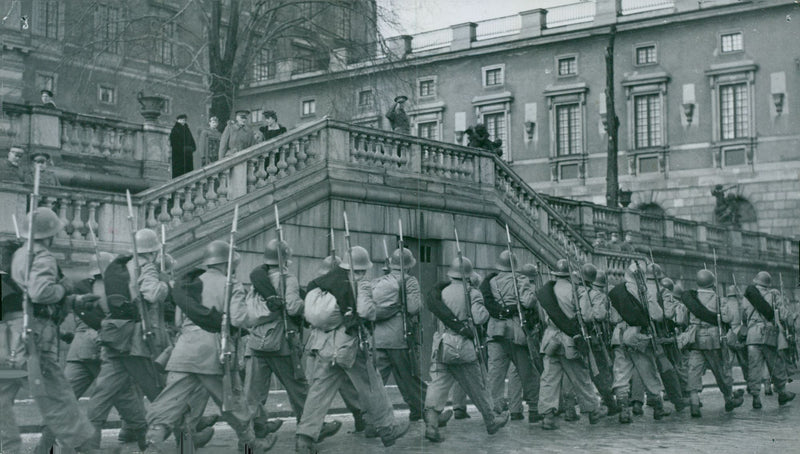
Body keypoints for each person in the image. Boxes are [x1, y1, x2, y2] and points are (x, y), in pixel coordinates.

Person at [145, 240, 277, 453]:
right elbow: (238, 319)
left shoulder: (189, 283)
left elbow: (179, 322)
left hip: (184, 350)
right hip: (214, 351)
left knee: (170, 402)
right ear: (229, 262)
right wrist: (262, 315)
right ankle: (250, 444)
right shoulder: (230, 285)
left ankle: (153, 445)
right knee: (232, 402)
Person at [296, 245, 408, 453]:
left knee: (319, 391)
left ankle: (304, 438)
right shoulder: (360, 284)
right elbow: (366, 311)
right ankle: (387, 428)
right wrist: (373, 311)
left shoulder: (324, 282)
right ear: (362, 267)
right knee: (372, 384)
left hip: (324, 345)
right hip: (349, 345)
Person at [36, 252, 152, 452]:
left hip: (79, 351)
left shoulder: (83, 287)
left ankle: (44, 447)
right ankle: (144, 443)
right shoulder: (115, 289)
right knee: (124, 400)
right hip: (105, 349)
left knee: (63, 400)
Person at [230, 239, 341, 440]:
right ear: (285, 259)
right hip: (281, 343)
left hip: (256, 342)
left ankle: (253, 430)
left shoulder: (258, 280)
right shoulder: (287, 278)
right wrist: (305, 303)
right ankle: (313, 426)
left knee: (253, 393)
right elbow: (291, 307)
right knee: (298, 387)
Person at [10, 207, 101, 453]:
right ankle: (85, 448)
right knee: (59, 398)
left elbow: (31, 295)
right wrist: (63, 288)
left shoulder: (20, 254)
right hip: (38, 336)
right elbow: (40, 293)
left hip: (17, 333)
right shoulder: (43, 257)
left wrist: (74, 302)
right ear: (49, 234)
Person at [84, 228, 170, 450]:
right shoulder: (146, 267)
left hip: (114, 338)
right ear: (152, 252)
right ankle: (186, 438)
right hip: (138, 341)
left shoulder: (117, 266)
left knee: (102, 395)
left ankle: (88, 445)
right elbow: (153, 294)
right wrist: (164, 282)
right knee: (160, 393)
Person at [423, 255, 509, 442]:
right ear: (469, 275)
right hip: (463, 347)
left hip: (442, 345)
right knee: (478, 385)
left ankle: (431, 424)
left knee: (437, 384)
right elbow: (480, 318)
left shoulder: (441, 293)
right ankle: (491, 420)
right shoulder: (472, 293)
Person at [535, 259, 605, 430]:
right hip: (570, 340)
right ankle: (593, 410)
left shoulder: (546, 291)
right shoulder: (577, 291)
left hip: (550, 338)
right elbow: (587, 316)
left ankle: (548, 416)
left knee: (549, 379)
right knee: (580, 377)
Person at [482, 250, 541, 424]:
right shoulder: (521, 279)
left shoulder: (491, 281)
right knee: (527, 371)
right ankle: (534, 408)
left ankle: (493, 411)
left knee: (496, 373)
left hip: (495, 331)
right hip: (515, 330)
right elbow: (528, 302)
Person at [608, 262, 670, 423]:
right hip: (639, 336)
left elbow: (612, 318)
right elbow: (657, 315)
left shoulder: (616, 291)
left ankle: (623, 410)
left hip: (620, 335)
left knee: (621, 373)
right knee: (648, 371)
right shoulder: (644, 291)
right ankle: (658, 407)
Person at [678, 269, 744, 417]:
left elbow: (683, 319)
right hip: (714, 340)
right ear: (712, 283)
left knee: (693, 371)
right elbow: (727, 318)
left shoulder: (691, 299)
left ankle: (694, 405)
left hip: (695, 339)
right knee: (721, 371)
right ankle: (728, 399)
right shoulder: (719, 299)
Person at [742, 271, 796, 408]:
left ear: (756, 281)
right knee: (776, 364)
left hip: (752, 335)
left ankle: (756, 398)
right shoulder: (773, 295)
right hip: (768, 334)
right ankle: (782, 393)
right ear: (767, 283)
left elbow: (743, 315)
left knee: (754, 366)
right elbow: (784, 316)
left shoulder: (747, 297)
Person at [0, 238, 26, 454]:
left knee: (2, 400)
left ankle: (11, 449)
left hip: (10, 349)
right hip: (12, 348)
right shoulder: (19, 284)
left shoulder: (10, 285)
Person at [169, 114, 197, 178]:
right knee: (179, 173)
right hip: (179, 156)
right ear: (178, 120)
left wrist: (192, 148)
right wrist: (183, 149)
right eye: (182, 119)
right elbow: (174, 143)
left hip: (188, 155)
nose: (183, 121)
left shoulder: (187, 129)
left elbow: (192, 142)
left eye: (184, 120)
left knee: (188, 174)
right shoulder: (175, 130)